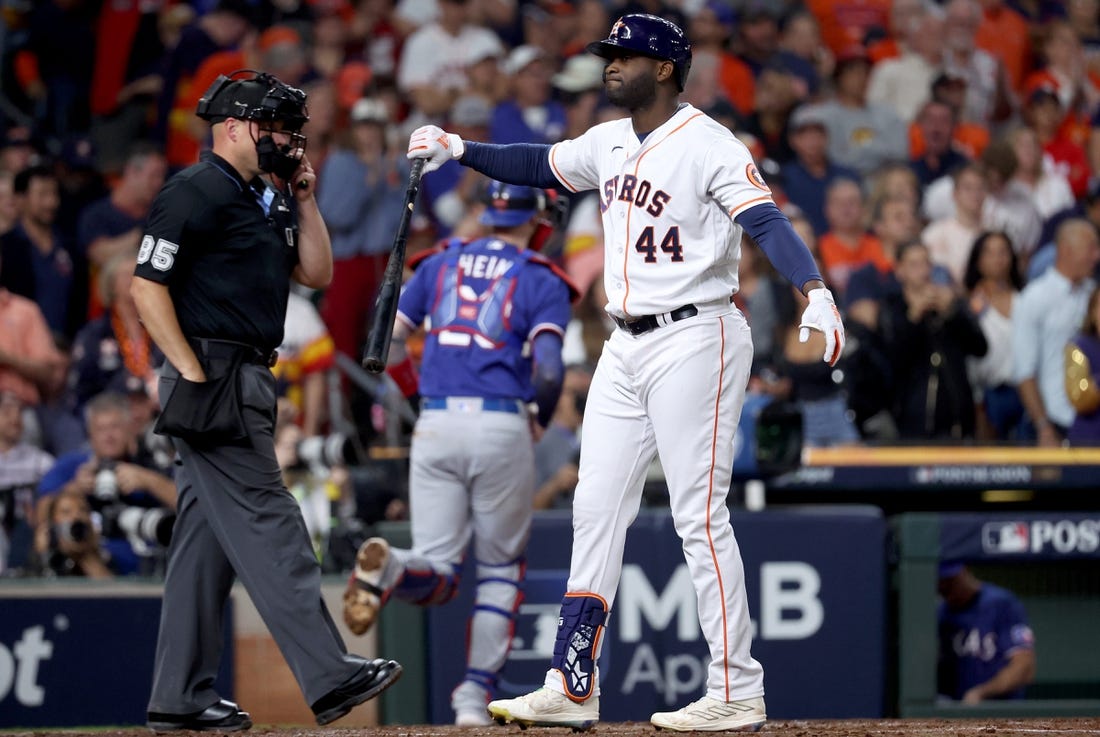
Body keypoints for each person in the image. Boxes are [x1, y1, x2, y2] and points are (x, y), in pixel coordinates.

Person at [394, 14, 845, 731]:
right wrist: (460, 148)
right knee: (595, 509)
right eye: (608, 54)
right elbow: (538, 163)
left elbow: (766, 222)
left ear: (665, 68)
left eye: (624, 55)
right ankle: (573, 682)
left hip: (698, 332)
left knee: (699, 514)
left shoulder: (708, 143)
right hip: (624, 343)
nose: (610, 65)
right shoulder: (607, 141)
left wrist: (813, 290)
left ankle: (737, 686)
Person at [129, 70, 401, 732]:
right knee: (273, 521)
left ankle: (180, 694)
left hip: (247, 369)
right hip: (215, 373)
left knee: (205, 542)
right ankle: (329, 672)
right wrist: (191, 370)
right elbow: (146, 285)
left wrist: (304, 198)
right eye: (275, 128)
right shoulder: (194, 188)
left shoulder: (266, 197)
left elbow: (316, 272)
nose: (288, 140)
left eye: (292, 131)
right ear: (231, 128)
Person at [342, 181, 575, 726]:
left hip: (439, 419)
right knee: (499, 571)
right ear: (536, 217)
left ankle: (392, 566)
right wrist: (539, 418)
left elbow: (388, 340)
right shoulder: (540, 276)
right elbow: (546, 370)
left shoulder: (439, 262)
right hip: (501, 423)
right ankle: (472, 698)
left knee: (439, 573)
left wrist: (419, 391)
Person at [1014, 219, 1100, 447]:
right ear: (1065, 250)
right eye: (1090, 248)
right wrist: (1043, 426)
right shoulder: (1034, 297)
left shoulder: (1093, 294)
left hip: (1095, 418)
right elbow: (1025, 371)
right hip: (1057, 420)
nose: (1097, 256)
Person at [938, 561, 1036, 703]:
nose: (946, 586)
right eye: (942, 584)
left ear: (964, 571)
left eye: (951, 581)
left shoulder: (1002, 604)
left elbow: (1024, 667)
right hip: (954, 713)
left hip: (1002, 712)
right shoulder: (941, 613)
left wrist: (982, 693)